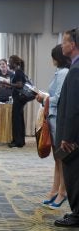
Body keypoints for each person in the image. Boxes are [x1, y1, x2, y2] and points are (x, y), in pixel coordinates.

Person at [36, 44, 70, 210]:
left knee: (61, 158)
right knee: (57, 159)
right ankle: (55, 190)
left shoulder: (64, 72)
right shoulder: (60, 72)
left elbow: (59, 97)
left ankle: (62, 192)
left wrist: (44, 98)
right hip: (53, 117)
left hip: (57, 118)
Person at [54, 28, 79, 227]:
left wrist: (68, 136)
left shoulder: (76, 69)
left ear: (74, 44)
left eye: (65, 41)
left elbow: (74, 107)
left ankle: (77, 214)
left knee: (74, 174)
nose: (62, 45)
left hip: (74, 136)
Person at [8, 55, 27, 148]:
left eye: (10, 62)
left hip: (18, 100)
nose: (8, 64)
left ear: (15, 64)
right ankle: (20, 141)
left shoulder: (18, 72)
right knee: (19, 119)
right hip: (19, 99)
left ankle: (17, 142)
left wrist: (9, 84)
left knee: (16, 120)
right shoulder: (18, 72)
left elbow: (20, 85)